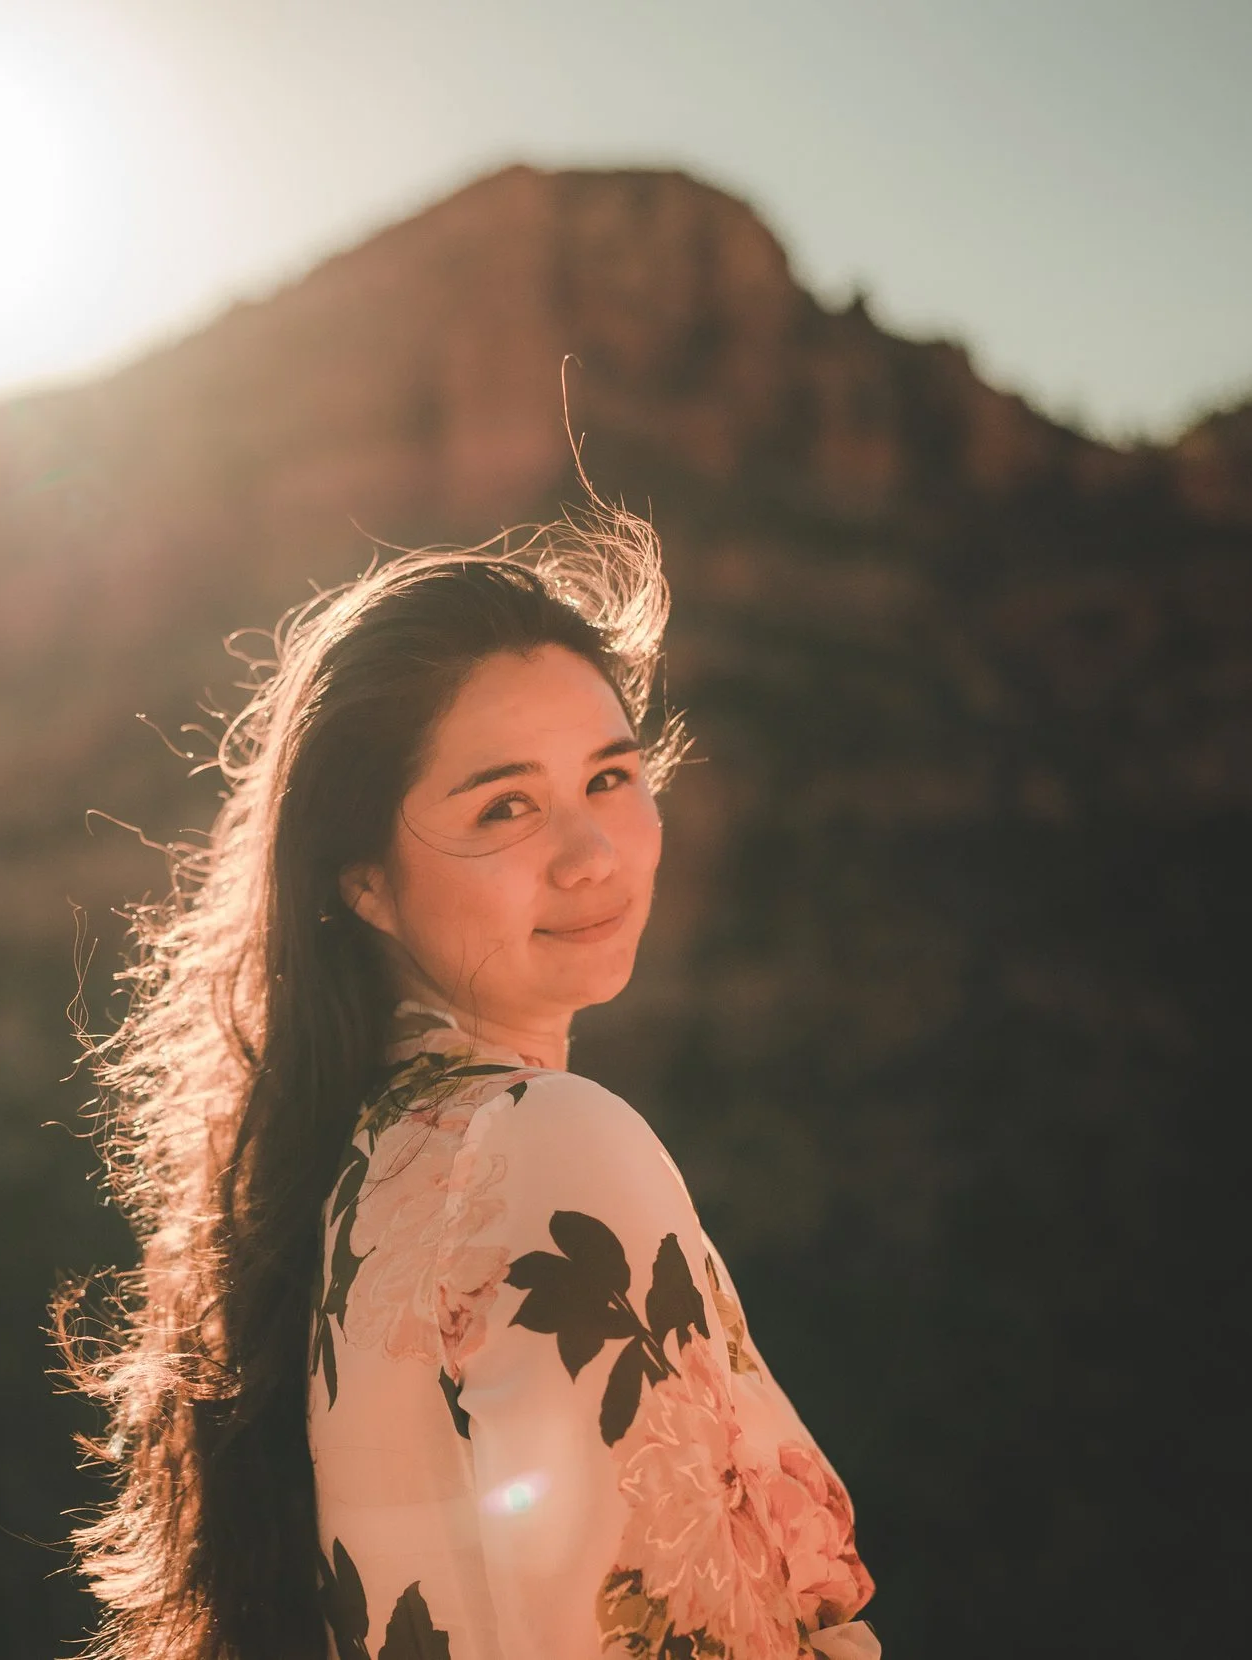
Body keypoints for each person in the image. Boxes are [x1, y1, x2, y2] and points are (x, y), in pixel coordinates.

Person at [59, 502, 877, 1659]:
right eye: (504, 805)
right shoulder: (544, 1141)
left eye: (609, 775)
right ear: (364, 881)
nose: (591, 852)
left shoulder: (359, 1179)